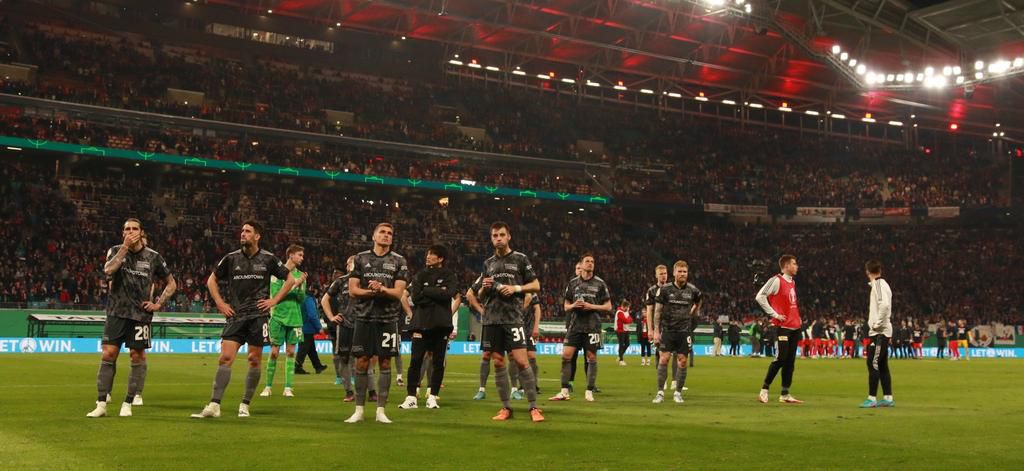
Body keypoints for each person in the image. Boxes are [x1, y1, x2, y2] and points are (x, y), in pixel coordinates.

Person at [192, 221, 303, 419]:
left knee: (254, 360)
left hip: (258, 317)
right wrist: (219, 303)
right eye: (242, 231)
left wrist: (274, 300)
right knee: (225, 358)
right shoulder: (231, 258)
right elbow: (211, 280)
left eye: (247, 231)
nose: (243, 234)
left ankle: (245, 404)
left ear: (257, 236)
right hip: (235, 315)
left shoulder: (268, 259)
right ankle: (214, 404)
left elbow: (290, 280)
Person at [87, 218, 176, 418]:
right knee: (108, 354)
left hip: (140, 315)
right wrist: (125, 248)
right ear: (123, 233)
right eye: (127, 229)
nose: (131, 231)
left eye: (134, 228)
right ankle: (101, 403)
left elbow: (171, 284)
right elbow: (108, 270)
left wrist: (159, 303)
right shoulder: (116, 250)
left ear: (141, 231)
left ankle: (128, 401)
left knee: (137, 356)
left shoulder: (153, 257)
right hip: (116, 312)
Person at [475, 221, 544, 422]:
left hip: (513, 319)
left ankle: (534, 407)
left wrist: (516, 289)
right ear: (491, 238)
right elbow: (479, 295)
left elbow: (536, 285)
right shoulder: (488, 263)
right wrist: (484, 287)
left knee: (522, 362)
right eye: (495, 235)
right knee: (498, 362)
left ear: (509, 236)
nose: (498, 238)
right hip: (491, 320)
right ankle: (506, 407)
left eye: (502, 235)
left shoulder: (521, 259)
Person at [344, 223, 409, 424]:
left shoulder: (399, 261)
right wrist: (373, 291)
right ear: (373, 235)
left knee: (385, 363)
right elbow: (353, 290)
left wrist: (381, 289)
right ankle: (359, 410)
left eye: (390, 233)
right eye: (382, 232)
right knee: (361, 362)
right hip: (364, 318)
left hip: (388, 320)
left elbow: (398, 293)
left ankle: (381, 410)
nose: (386, 236)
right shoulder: (360, 258)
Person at [399, 245, 460, 410]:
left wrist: (426, 291)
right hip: (421, 323)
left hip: (441, 324)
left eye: (432, 255)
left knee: (438, 362)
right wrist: (438, 293)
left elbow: (451, 294)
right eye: (427, 254)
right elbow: (416, 298)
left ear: (440, 258)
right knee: (415, 361)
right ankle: (411, 397)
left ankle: (432, 397)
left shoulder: (449, 275)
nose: (428, 257)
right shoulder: (420, 274)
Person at [550, 254, 612, 402]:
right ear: (581, 265)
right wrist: (573, 306)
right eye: (587, 261)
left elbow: (608, 306)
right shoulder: (572, 283)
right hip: (575, 326)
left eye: (592, 261)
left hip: (592, 326)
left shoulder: (600, 283)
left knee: (591, 357)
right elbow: (565, 306)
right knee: (566, 356)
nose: (590, 264)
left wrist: (591, 306)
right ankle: (564, 391)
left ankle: (589, 390)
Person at [260, 244, 310, 398]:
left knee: (290, 352)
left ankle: (288, 387)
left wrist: (300, 286)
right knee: (274, 352)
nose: (302, 258)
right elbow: (276, 295)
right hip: (278, 317)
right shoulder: (277, 273)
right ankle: (268, 387)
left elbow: (301, 299)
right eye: (300, 255)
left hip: (295, 318)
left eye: (302, 255)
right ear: (291, 255)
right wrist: (296, 284)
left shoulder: (301, 275)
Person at [650, 260, 701, 404]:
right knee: (664, 359)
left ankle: (678, 393)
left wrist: (693, 313)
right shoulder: (665, 290)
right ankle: (660, 392)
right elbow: (657, 312)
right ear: (674, 273)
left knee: (683, 361)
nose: (682, 274)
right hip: (668, 330)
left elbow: (699, 300)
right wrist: (656, 331)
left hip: (684, 331)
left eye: (684, 271)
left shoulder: (693, 290)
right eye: (679, 271)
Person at [756, 254, 804, 404]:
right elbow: (760, 296)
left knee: (790, 362)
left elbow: (791, 303)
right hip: (783, 327)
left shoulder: (792, 282)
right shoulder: (776, 280)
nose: (797, 266)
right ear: (786, 266)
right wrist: (774, 314)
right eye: (794, 264)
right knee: (781, 358)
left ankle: (785, 393)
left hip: (795, 327)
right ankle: (764, 390)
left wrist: (797, 317)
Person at [860, 260, 895, 408]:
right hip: (881, 331)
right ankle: (887, 397)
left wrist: (878, 323)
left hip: (879, 332)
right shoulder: (881, 284)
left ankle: (872, 398)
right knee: (882, 364)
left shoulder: (879, 284)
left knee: (872, 363)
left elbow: (885, 305)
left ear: (867, 272)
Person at [322, 259, 356, 401]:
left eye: (352, 262)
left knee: (364, 358)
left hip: (362, 324)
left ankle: (371, 391)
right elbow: (325, 300)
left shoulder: (366, 280)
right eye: (348, 263)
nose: (349, 265)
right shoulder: (340, 281)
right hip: (345, 324)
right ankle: (349, 391)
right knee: (344, 357)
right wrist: (331, 317)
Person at [294, 289, 327, 378]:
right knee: (304, 348)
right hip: (307, 327)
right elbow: (312, 315)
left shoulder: (300, 297)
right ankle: (297, 366)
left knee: (310, 348)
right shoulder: (308, 298)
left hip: (300, 324)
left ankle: (318, 366)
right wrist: (319, 327)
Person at [615, 300, 633, 366]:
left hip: (625, 330)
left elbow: (631, 320)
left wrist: (628, 319)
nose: (628, 308)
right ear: (624, 306)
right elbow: (626, 321)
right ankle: (621, 360)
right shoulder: (619, 312)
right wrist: (628, 319)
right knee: (621, 344)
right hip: (620, 330)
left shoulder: (626, 312)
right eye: (627, 307)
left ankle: (620, 355)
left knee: (627, 344)